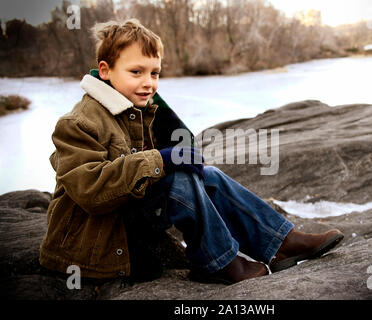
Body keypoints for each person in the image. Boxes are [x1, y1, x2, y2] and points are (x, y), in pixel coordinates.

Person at [39, 19, 344, 285]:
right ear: (105, 71)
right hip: (92, 245)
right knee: (176, 179)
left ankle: (280, 243)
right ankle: (218, 262)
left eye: (155, 73)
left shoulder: (136, 108)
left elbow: (177, 136)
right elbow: (91, 190)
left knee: (209, 175)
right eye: (136, 72)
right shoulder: (78, 123)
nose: (149, 83)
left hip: (125, 221)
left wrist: (180, 154)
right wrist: (163, 160)